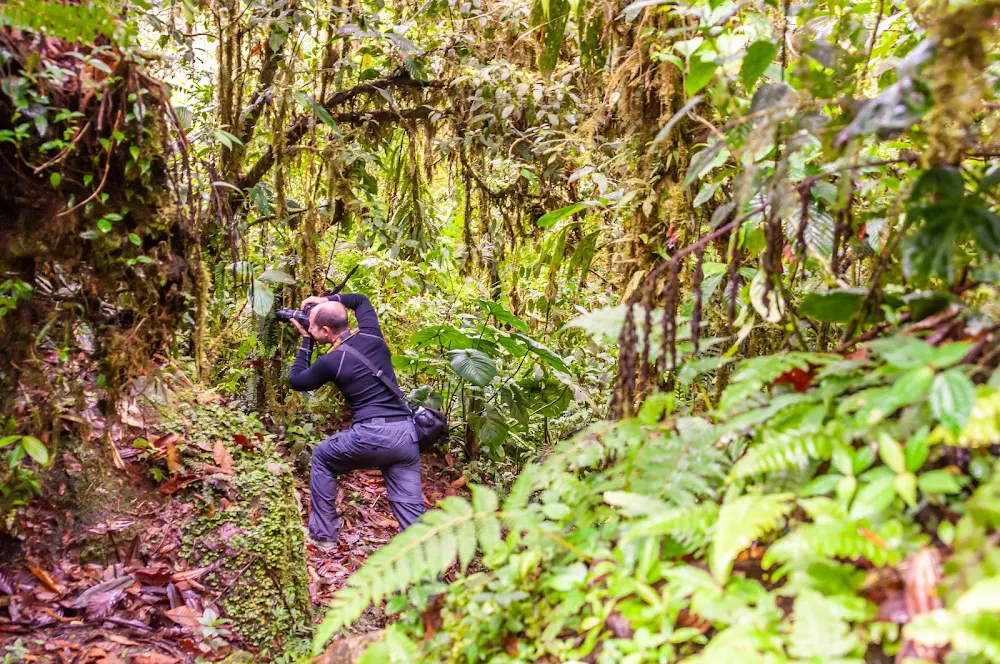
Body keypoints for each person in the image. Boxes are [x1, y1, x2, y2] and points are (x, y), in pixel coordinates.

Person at [288, 292, 425, 550]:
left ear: (326, 331)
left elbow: (297, 381)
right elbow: (361, 300)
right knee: (412, 513)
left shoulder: (331, 361)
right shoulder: (373, 335)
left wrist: (306, 341)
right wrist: (326, 299)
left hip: (373, 434)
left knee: (322, 457)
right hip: (406, 435)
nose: (311, 328)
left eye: (313, 326)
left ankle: (324, 536)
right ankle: (432, 584)